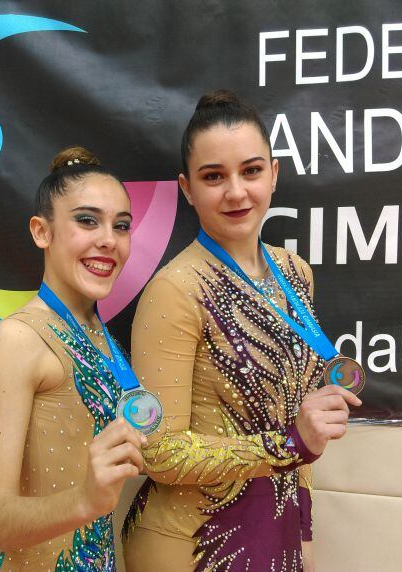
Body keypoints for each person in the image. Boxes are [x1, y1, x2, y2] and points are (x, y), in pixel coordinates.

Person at [122, 91, 362, 572]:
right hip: (189, 544)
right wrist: (289, 444)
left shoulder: (295, 273)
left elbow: (301, 415)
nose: (236, 192)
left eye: (250, 171)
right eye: (214, 177)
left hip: (276, 532)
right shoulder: (175, 289)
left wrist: (303, 530)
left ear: (273, 174)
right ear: (187, 189)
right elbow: (160, 454)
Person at [0, 146, 146, 571]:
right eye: (87, 220)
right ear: (41, 231)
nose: (108, 239)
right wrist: (85, 499)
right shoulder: (16, 339)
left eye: (121, 226)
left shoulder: (100, 334)